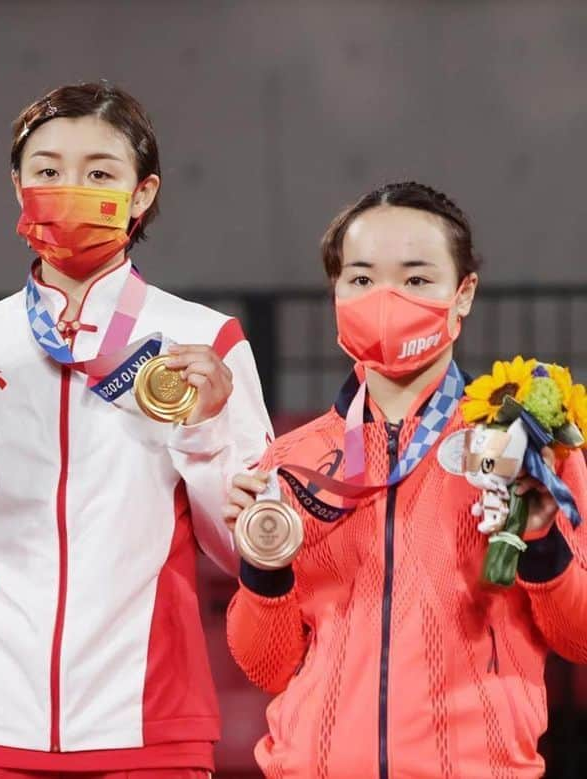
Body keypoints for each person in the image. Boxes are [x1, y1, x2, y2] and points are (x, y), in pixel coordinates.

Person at [0, 82, 273, 778]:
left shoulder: (203, 341)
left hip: (148, 721)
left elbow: (239, 550)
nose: (70, 188)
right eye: (47, 170)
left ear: (142, 192)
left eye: (100, 172)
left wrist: (205, 428)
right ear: (17, 185)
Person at [224, 181, 587, 778]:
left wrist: (542, 547)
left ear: (463, 292)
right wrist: (263, 566)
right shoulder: (291, 462)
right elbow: (267, 667)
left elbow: (577, 639)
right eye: (362, 279)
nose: (387, 297)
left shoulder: (521, 449)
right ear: (336, 291)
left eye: (417, 279)